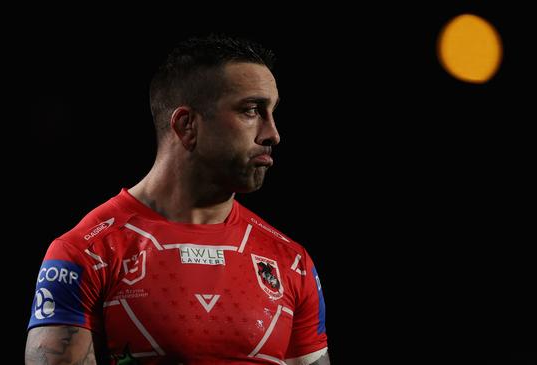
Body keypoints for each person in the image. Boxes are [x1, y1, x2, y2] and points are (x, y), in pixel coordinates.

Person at [25, 34, 330, 365]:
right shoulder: (86, 252)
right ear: (187, 125)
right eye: (252, 110)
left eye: (272, 112)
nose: (273, 133)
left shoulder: (292, 261)